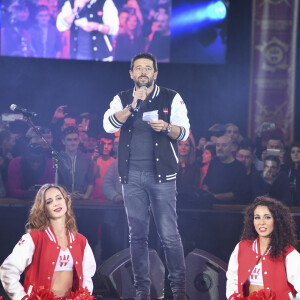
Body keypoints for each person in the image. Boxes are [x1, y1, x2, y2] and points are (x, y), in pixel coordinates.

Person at [103, 52, 190, 300]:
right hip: (131, 177)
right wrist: (132, 106)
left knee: (169, 235)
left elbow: (183, 133)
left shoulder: (171, 97)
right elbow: (108, 125)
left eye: (148, 68)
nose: (143, 72)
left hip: (162, 177)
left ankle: (179, 290)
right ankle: (142, 290)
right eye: (138, 68)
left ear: (155, 73)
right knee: (137, 235)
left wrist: (167, 127)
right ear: (131, 73)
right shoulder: (122, 98)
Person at [0, 183, 96, 298]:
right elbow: (7, 271)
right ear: (43, 209)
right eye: (49, 201)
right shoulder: (33, 239)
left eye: (59, 198)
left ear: (66, 201)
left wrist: (82, 296)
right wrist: (22, 298)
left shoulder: (81, 241)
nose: (56, 203)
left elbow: (86, 276)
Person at [226, 196, 300, 299]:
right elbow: (232, 279)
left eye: (267, 217)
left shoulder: (289, 253)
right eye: (257, 217)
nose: (261, 222)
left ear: (277, 221)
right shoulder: (241, 248)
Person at [202, 135, 247, 203]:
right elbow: (206, 181)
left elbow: (237, 193)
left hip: (229, 208)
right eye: (218, 145)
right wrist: (205, 190)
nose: (220, 148)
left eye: (224, 145)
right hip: (210, 205)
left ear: (232, 147)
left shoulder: (239, 167)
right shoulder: (214, 162)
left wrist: (213, 196)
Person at [58, 126, 95, 200]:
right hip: (62, 200)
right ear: (63, 141)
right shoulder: (58, 158)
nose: (73, 143)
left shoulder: (86, 158)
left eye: (75, 139)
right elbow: (54, 182)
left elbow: (91, 182)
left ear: (78, 140)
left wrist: (86, 197)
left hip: (81, 200)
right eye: (69, 140)